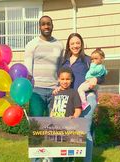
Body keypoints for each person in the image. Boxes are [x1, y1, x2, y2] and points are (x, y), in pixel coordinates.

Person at [61, 33, 105, 162]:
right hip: (70, 100)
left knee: (85, 131)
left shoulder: (87, 60)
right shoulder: (64, 62)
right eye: (72, 43)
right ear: (68, 45)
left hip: (87, 99)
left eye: (78, 43)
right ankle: (71, 159)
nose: (75, 46)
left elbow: (102, 75)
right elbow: (62, 79)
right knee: (71, 132)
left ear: (82, 44)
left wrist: (96, 79)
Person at [24, 15, 64, 117]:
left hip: (56, 90)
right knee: (37, 124)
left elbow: (60, 68)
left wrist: (60, 87)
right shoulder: (32, 44)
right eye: (43, 24)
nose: (46, 26)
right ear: (39, 27)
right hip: (36, 90)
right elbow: (28, 70)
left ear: (52, 26)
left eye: (48, 24)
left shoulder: (60, 45)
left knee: (56, 124)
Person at [50, 67, 81, 162]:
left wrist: (74, 117)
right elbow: (52, 109)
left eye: (67, 79)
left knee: (69, 151)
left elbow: (78, 109)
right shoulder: (56, 93)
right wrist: (51, 119)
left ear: (71, 80)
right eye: (62, 79)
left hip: (69, 126)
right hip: (57, 126)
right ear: (58, 79)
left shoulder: (74, 93)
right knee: (57, 152)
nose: (65, 81)